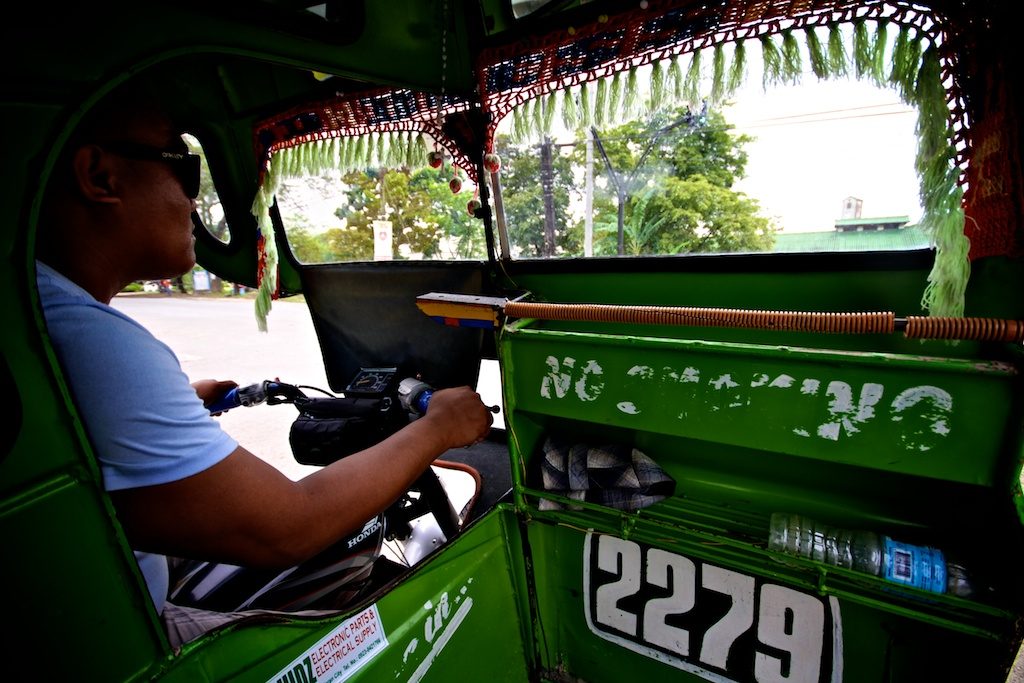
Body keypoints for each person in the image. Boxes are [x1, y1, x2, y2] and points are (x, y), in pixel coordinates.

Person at [34, 81, 493, 648]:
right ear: (100, 176)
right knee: (361, 644)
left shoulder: (41, 314)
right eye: (183, 167)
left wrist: (181, 402)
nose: (191, 199)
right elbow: (291, 527)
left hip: (100, 593)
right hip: (131, 641)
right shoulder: (91, 340)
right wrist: (440, 428)